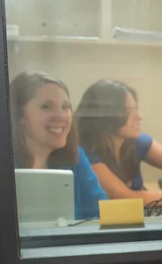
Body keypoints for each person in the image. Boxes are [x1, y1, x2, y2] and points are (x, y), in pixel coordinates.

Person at [9, 71, 108, 220]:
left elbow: (101, 214)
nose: (61, 116)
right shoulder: (1, 165)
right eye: (46, 107)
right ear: (20, 115)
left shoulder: (76, 158)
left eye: (65, 107)